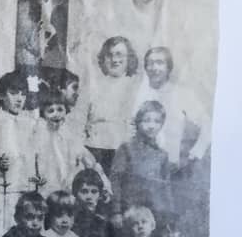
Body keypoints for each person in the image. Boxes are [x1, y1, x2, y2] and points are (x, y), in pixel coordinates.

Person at [134, 47, 211, 168]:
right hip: (139, 165)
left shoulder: (183, 94)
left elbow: (207, 124)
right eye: (150, 63)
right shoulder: (138, 94)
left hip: (171, 166)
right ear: (145, 67)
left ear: (168, 67)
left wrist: (196, 153)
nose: (154, 68)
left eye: (160, 63)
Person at [29, 90, 109, 196]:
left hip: (70, 191)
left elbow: (91, 163)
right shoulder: (38, 136)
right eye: (50, 111)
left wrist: (105, 186)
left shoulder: (71, 137)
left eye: (60, 109)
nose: (56, 114)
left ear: (66, 111)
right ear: (43, 114)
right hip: (47, 190)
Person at [83, 36, 141, 172]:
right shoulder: (92, 87)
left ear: (129, 58)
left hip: (126, 154)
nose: (114, 60)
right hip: (93, 153)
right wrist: (83, 153)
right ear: (103, 58)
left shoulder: (137, 88)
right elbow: (77, 124)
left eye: (119, 54)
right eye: (109, 55)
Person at [0, 70, 37, 229]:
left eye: (23, 94)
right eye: (13, 93)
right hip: (3, 188)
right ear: (2, 95)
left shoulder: (31, 123)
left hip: (27, 188)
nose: (19, 99)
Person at [111, 100, 173, 214]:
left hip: (154, 212)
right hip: (130, 210)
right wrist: (116, 212)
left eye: (157, 121)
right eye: (147, 120)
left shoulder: (162, 155)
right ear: (138, 122)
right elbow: (116, 181)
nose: (151, 126)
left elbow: (166, 188)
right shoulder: (126, 148)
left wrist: (169, 215)